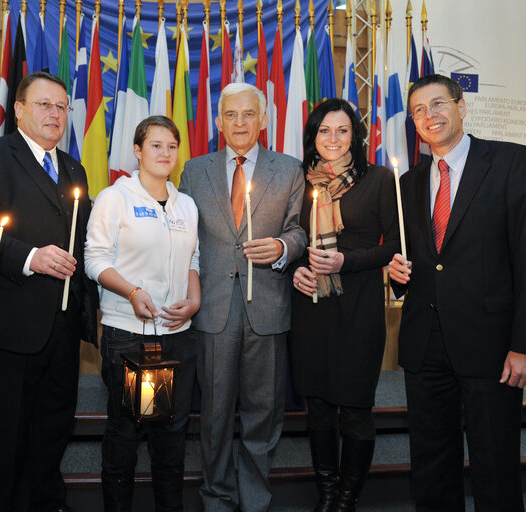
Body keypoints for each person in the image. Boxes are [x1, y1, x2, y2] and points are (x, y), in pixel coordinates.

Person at [388, 74, 526, 511]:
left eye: (437, 104)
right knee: (432, 471)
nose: (429, 116)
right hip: (426, 347)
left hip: (492, 348)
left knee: (495, 469)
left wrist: (525, 345)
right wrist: (398, 274)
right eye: (419, 110)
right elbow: (420, 264)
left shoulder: (511, 161)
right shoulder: (409, 184)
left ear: (460, 106)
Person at [0, 71, 98, 512]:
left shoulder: (74, 167)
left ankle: (46, 502)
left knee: (55, 425)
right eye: (43, 104)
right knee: (10, 432)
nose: (54, 114)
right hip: (13, 322)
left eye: (61, 106)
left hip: (63, 324)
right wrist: (29, 256)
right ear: (18, 109)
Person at [179, 82, 305, 512]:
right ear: (218, 121)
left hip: (267, 306)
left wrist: (283, 248)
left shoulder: (288, 169)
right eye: (230, 115)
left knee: (263, 414)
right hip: (212, 309)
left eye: (248, 114)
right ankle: (216, 496)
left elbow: (299, 230)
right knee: (214, 416)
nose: (239, 123)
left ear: (263, 120)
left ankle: (254, 499)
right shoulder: (194, 171)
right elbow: (180, 235)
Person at [85, 115, 199, 511]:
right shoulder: (115, 198)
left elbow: (193, 261)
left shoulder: (186, 204)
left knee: (172, 434)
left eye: (171, 146)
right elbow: (94, 260)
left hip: (177, 334)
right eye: (155, 145)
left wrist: (195, 301)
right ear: (137, 150)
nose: (165, 153)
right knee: (126, 434)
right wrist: (132, 292)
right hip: (128, 334)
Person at [288, 98, 398, 511]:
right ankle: (328, 493)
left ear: (356, 135)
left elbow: (395, 245)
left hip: (358, 308)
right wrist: (295, 267)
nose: (332, 139)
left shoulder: (379, 179)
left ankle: (348, 497)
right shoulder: (299, 181)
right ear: (312, 136)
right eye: (324, 131)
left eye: (342, 130)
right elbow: (292, 238)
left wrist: (345, 261)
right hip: (311, 308)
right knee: (317, 408)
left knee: (354, 409)